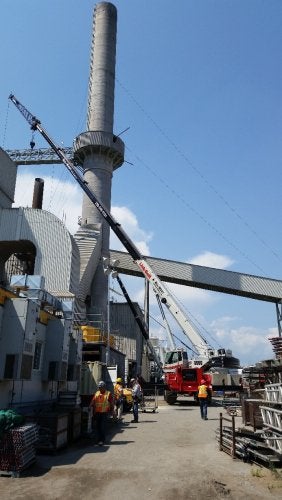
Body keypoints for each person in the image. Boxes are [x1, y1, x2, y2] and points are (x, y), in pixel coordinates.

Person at [90, 380, 113, 445]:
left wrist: (112, 410)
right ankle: (98, 440)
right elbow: (93, 400)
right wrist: (90, 406)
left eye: (101, 387)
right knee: (97, 427)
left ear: (104, 387)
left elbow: (111, 402)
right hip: (97, 413)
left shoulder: (108, 393)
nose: (100, 388)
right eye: (99, 387)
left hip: (104, 413)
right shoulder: (97, 393)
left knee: (102, 427)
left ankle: (102, 440)